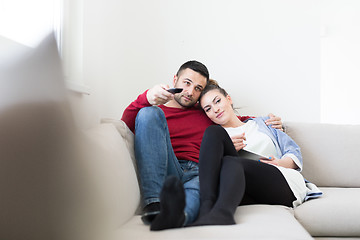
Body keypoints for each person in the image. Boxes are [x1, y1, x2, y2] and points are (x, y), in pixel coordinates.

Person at [121, 60, 284, 230]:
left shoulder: (206, 111)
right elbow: (125, 124)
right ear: (175, 79)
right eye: (187, 83)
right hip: (169, 166)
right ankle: (154, 204)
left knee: (199, 187)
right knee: (148, 112)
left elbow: (234, 119)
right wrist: (147, 98)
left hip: (202, 170)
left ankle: (177, 217)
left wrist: (267, 123)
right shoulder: (159, 112)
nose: (190, 92)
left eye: (198, 88)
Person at [191, 80, 322, 226]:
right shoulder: (218, 139)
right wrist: (226, 150)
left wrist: (280, 163)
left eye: (217, 101)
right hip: (244, 186)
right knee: (215, 135)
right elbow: (211, 170)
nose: (215, 109)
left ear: (228, 99)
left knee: (232, 162)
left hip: (281, 181)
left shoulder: (264, 123)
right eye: (208, 109)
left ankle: (221, 213)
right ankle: (207, 208)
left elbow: (293, 151)